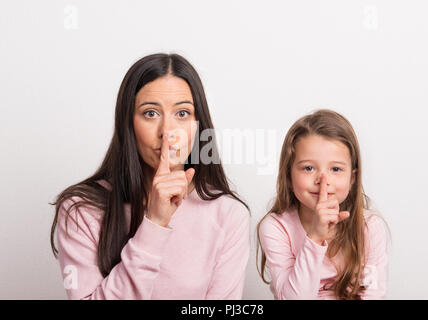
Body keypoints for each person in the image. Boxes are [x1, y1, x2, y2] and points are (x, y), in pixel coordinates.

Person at [50, 53, 250, 300]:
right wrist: (154, 223)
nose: (167, 132)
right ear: (128, 124)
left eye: (183, 113)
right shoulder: (81, 210)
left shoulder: (228, 215)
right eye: (150, 113)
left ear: (198, 124)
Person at [257, 109, 389, 300]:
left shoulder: (369, 227)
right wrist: (316, 237)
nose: (323, 180)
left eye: (336, 169)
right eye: (308, 168)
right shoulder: (276, 227)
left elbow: (373, 294)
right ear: (288, 176)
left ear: (352, 178)